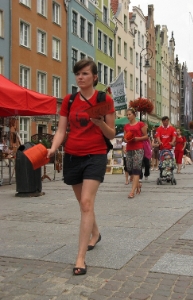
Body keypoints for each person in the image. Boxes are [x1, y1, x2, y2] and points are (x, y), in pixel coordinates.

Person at [47, 58, 115, 276]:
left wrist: (100, 123)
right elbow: (61, 131)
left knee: (86, 202)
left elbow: (112, 134)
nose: (80, 77)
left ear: (94, 77)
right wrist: (52, 149)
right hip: (72, 156)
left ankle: (80, 258)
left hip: (95, 155)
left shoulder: (104, 100)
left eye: (85, 73)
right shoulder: (69, 100)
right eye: (78, 74)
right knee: (83, 203)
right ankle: (96, 233)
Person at [124, 108, 148, 199]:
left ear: (134, 115)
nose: (128, 116)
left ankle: (132, 191)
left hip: (138, 148)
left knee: (136, 169)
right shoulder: (126, 126)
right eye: (127, 115)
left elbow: (146, 136)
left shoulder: (140, 124)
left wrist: (137, 139)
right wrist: (126, 139)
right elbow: (124, 137)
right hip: (129, 148)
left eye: (129, 114)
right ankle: (137, 184)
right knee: (129, 168)